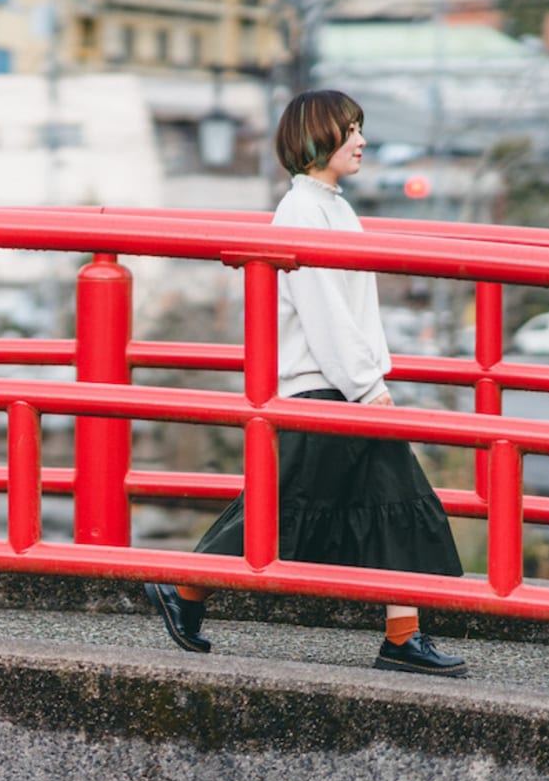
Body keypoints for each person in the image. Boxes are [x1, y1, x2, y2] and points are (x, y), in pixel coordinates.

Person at [145, 89, 468, 677]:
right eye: (350, 131)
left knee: (389, 503)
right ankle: (184, 591)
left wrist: (371, 378)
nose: (362, 141)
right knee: (285, 510)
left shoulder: (334, 206)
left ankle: (401, 635)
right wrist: (368, 387)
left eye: (361, 129)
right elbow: (324, 313)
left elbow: (349, 310)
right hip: (322, 387)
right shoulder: (301, 210)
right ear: (319, 137)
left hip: (340, 384)